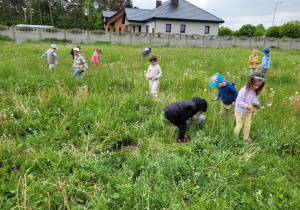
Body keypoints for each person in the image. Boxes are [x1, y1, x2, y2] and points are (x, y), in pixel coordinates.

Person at [233, 72, 265, 143]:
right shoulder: (244, 90)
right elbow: (238, 101)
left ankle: (245, 138)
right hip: (239, 111)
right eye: (255, 85)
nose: (257, 87)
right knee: (239, 125)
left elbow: (255, 100)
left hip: (248, 112)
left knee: (247, 126)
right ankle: (234, 139)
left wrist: (257, 105)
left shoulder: (256, 91)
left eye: (259, 86)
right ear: (250, 82)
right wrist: (247, 106)